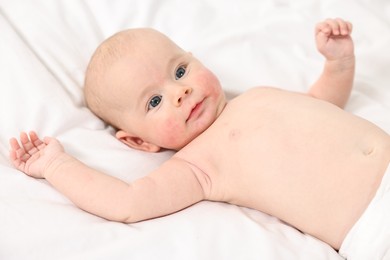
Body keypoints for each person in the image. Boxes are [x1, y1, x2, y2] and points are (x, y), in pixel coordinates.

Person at [9, 18, 390, 259]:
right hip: (372, 223)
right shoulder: (198, 165)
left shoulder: (257, 95)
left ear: (197, 60)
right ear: (139, 143)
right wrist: (56, 165)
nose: (180, 93)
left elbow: (323, 104)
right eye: (154, 101)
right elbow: (127, 202)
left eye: (179, 70)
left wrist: (338, 64)